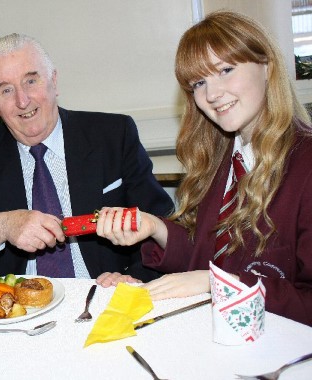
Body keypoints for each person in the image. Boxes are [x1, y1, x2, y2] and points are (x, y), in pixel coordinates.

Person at [95, 11, 312, 326]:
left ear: (267, 67)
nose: (212, 95)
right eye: (199, 82)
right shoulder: (222, 160)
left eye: (226, 70)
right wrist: (155, 227)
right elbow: (211, 257)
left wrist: (218, 284)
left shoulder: (305, 163)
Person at [0, 33, 174, 280]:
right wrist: (4, 225)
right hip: (22, 308)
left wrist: (136, 278)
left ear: (54, 81)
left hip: (105, 296)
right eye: (6, 90)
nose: (22, 101)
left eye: (31, 81)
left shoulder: (112, 134)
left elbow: (161, 221)